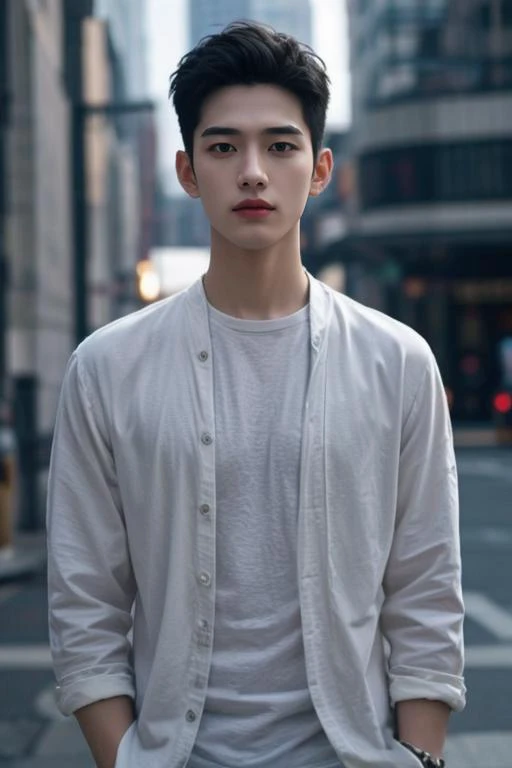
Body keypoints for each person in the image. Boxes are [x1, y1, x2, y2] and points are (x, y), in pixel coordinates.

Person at [46, 21, 466, 768]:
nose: (251, 172)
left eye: (279, 146)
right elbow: (86, 598)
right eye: (221, 147)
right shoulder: (107, 365)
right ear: (185, 169)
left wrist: (420, 755)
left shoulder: (397, 359)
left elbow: (426, 586)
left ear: (320, 167)